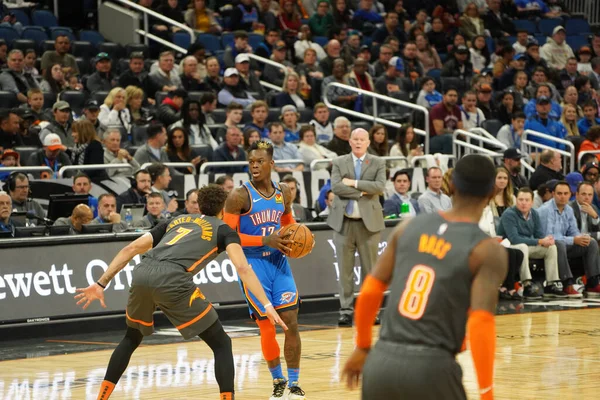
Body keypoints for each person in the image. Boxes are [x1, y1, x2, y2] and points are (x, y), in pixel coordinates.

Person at [75, 185, 286, 400]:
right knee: (222, 343)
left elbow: (131, 249)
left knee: (131, 337)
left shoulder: (176, 220)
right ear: (224, 207)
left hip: (142, 272)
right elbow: (242, 268)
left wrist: (100, 283)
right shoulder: (224, 230)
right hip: (173, 279)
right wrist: (267, 305)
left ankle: (101, 397)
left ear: (200, 204)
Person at [342, 154, 507, 400]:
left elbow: (369, 291)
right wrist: (486, 392)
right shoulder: (487, 249)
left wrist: (363, 346)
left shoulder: (407, 227)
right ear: (493, 191)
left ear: (452, 186)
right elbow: (480, 322)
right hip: (432, 369)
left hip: (381, 364)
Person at [223, 140, 308, 399]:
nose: (255, 166)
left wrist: (295, 237)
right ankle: (278, 381)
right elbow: (227, 236)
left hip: (278, 262)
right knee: (268, 325)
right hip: (252, 265)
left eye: (260, 161)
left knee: (291, 323)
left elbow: (288, 222)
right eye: (251, 162)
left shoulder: (283, 192)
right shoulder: (239, 196)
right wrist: (264, 240)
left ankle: (294, 384)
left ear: (272, 163)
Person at [327, 127, 386, 327]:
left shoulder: (378, 162)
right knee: (345, 271)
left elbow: (379, 187)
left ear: (368, 142)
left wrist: (353, 183)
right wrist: (362, 192)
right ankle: (345, 311)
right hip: (343, 223)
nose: (359, 142)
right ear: (350, 142)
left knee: (371, 272)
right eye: (355, 139)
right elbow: (336, 187)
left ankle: (372, 311)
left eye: (362, 139)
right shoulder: (338, 162)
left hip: (369, 225)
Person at [497, 187, 564, 297]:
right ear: (516, 200)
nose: (523, 203)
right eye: (520, 199)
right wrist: (539, 241)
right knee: (522, 246)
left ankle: (551, 284)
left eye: (527, 200)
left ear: (532, 202)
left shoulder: (534, 214)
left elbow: (539, 235)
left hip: (527, 246)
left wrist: (547, 240)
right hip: (509, 247)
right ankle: (527, 283)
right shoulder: (509, 214)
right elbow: (514, 239)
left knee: (551, 248)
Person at [538, 181, 600, 297]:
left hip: (564, 244)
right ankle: (567, 283)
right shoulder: (545, 210)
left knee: (591, 243)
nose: (562, 196)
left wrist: (580, 238)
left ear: (569, 195)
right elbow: (549, 237)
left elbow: (573, 232)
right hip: (546, 245)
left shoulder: (568, 210)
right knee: (559, 243)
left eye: (565, 193)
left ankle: (592, 282)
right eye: (559, 193)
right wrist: (573, 240)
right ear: (553, 194)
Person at [429, 87, 463, 154]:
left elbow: (460, 128)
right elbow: (439, 131)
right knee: (449, 138)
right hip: (434, 139)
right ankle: (450, 163)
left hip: (451, 136)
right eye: (450, 95)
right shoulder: (437, 109)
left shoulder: (457, 109)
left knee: (470, 138)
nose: (453, 98)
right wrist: (455, 132)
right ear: (444, 96)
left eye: (455, 96)